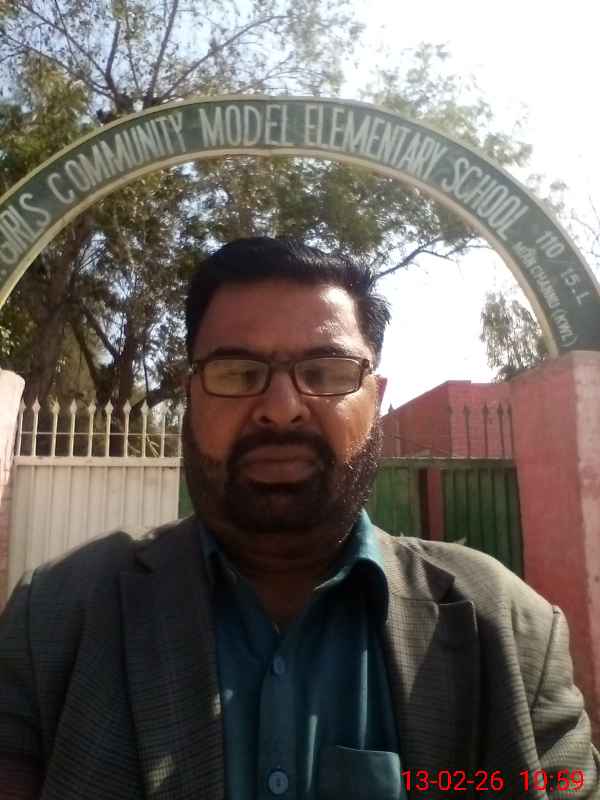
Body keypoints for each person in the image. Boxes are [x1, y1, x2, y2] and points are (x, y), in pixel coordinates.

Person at [0, 237, 597, 800]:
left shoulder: (512, 631)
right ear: (191, 395)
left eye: (327, 372)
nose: (281, 410)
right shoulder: (53, 618)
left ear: (376, 396)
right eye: (238, 373)